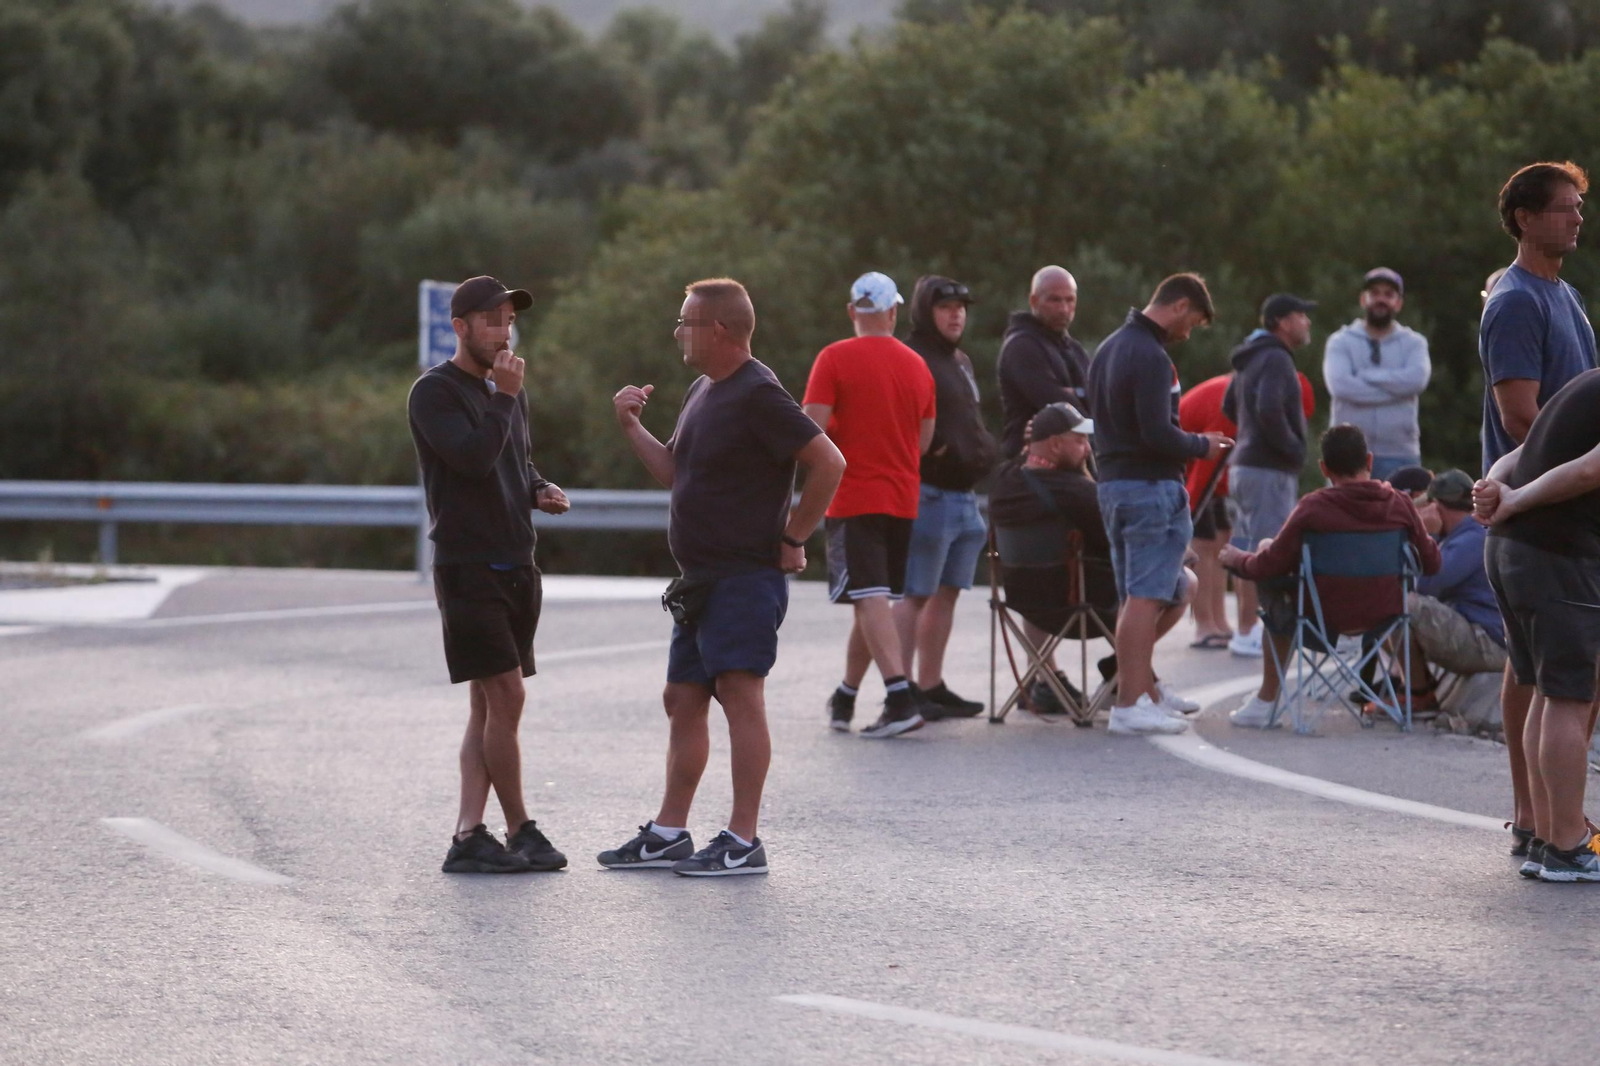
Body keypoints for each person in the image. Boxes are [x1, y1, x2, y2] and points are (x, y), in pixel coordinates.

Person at [603, 277, 845, 877]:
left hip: (743, 577)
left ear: (718, 329)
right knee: (682, 699)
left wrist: (793, 536)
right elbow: (677, 473)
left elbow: (829, 463)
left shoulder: (759, 392)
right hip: (700, 579)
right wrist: (633, 428)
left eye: (685, 322)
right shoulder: (702, 390)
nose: (677, 332)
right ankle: (668, 832)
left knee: (740, 696)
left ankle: (743, 839)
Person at [407, 275, 574, 875]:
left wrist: (539, 488)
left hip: (516, 561)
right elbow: (472, 459)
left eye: (508, 320)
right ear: (461, 327)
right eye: (491, 321)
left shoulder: (510, 390)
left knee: (486, 707)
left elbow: (513, 460)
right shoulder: (433, 393)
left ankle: (468, 835)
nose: (504, 331)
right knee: (508, 694)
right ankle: (520, 828)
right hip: (467, 564)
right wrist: (504, 396)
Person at [1479, 160, 1596, 859]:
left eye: (1580, 206)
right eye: (1564, 207)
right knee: (1547, 680)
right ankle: (1542, 823)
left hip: (1552, 505)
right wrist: (1540, 491)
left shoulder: (1566, 294)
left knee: (1544, 674)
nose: (1577, 217)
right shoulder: (1518, 300)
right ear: (1525, 217)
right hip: (1538, 509)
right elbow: (1524, 418)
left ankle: (1546, 821)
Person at [1218, 424, 1440, 728]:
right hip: (1384, 619)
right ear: (1370, 462)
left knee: (1268, 563)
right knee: (1398, 592)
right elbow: (1431, 563)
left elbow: (1266, 566)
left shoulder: (1314, 507)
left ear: (1324, 467)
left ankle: (1267, 700)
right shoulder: (1400, 505)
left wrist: (1237, 559)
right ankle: (1415, 690)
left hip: (1320, 620)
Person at [1085, 273, 1229, 735]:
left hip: (1114, 484)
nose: (1189, 333)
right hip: (1149, 488)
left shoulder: (1108, 348)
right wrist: (1201, 445)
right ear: (1181, 306)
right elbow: (1155, 432)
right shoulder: (1150, 355)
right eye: (1194, 323)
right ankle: (1129, 705)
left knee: (1138, 595)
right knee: (1146, 597)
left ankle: (1141, 691)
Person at [989, 402, 1197, 720]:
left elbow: (1028, 460)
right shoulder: (1079, 493)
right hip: (1083, 606)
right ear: (1056, 444)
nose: (1088, 449)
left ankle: (1126, 673)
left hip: (1024, 603)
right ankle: (1125, 672)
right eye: (1080, 441)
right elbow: (1125, 544)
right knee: (1183, 581)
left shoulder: (1003, 481)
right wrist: (1179, 551)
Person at [1474, 368, 1600, 881]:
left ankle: (1548, 834)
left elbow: (1519, 453)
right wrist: (1516, 499)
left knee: (1548, 695)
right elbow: (1593, 471)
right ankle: (1569, 846)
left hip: (1511, 550)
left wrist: (1496, 488)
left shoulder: (1586, 383)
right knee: (1571, 695)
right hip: (1556, 554)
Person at [803, 272, 937, 738]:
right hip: (902, 497)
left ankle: (900, 697)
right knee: (873, 597)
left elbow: (810, 431)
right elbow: (924, 440)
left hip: (853, 495)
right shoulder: (918, 365)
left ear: (851, 312)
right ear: (893, 312)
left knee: (869, 596)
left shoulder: (833, 358)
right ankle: (846, 695)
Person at [895, 275, 996, 718]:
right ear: (923, 311)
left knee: (947, 593)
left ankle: (930, 684)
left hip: (964, 496)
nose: (957, 314)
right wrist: (932, 452)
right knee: (915, 593)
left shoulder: (959, 360)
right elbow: (898, 421)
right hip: (929, 492)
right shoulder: (911, 356)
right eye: (945, 307)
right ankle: (901, 690)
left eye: (961, 306)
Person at [1180, 369, 1316, 654]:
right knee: (1204, 545)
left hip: (1207, 469)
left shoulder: (1253, 395)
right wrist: (1187, 516)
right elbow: (1205, 469)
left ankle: (1220, 622)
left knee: (1222, 541)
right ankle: (1205, 625)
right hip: (1185, 464)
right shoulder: (1232, 407)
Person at [1221, 294, 1315, 656]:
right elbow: (1268, 408)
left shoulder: (1250, 356)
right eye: (1301, 315)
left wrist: (1248, 435)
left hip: (1244, 467)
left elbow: (1228, 404)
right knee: (1270, 553)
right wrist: (1293, 449)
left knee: (1247, 549)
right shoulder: (1276, 358)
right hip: (1268, 469)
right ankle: (1267, 634)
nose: (1307, 322)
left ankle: (1247, 630)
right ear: (1281, 321)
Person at [1390, 471, 1505, 716]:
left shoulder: (1472, 538)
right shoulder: (1469, 533)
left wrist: (1426, 535)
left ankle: (1419, 694)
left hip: (1488, 644)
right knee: (1394, 604)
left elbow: (1425, 586)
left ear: (1436, 505)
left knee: (1397, 603)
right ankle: (1413, 685)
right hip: (1485, 637)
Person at [1322, 268, 1432, 482]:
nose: (1381, 299)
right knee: (1343, 516)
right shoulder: (1340, 341)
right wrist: (1396, 391)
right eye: (1375, 293)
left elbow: (1416, 381)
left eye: (1388, 294)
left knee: (1399, 515)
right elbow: (1341, 387)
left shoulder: (1414, 343)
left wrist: (1366, 376)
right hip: (1347, 456)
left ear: (1398, 303)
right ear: (1363, 299)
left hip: (1400, 453)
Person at [997, 266, 1091, 457]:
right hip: (1031, 464)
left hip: (1075, 462)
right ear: (1034, 301)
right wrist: (1083, 397)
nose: (1063, 309)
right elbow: (1060, 406)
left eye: (1069, 300)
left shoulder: (1075, 350)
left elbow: (1100, 398)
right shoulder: (1022, 346)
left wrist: (1080, 394)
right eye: (1054, 300)